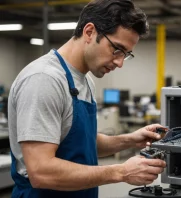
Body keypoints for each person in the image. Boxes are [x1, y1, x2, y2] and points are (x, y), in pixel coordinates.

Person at [8, 0, 166, 197]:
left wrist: (131, 139)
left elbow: (83, 143)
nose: (119, 62)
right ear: (89, 32)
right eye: (117, 49)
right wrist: (121, 171)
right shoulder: (44, 79)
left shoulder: (85, 80)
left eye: (126, 54)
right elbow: (41, 172)